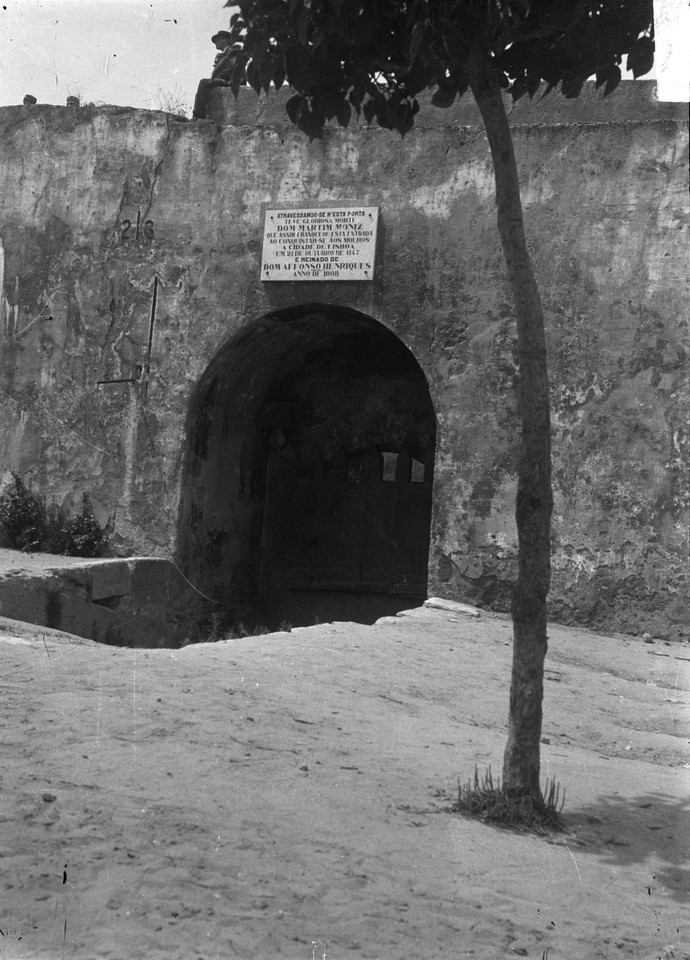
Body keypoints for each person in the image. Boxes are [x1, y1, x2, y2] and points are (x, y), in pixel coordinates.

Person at [192, 31, 242, 120]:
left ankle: (198, 115)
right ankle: (198, 114)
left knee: (203, 82)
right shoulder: (227, 52)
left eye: (218, 39)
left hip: (232, 81)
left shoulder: (231, 50)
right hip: (229, 79)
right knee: (201, 90)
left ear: (227, 40)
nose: (216, 42)